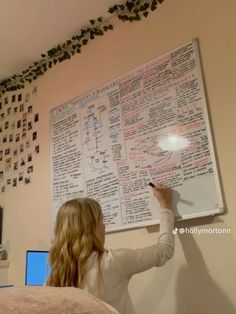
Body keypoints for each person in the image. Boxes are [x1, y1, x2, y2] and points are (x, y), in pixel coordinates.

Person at [46, 184, 175, 314]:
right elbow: (164, 250)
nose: (104, 226)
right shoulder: (113, 262)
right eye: (101, 220)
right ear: (91, 228)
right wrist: (165, 205)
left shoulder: (56, 276)